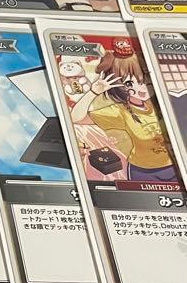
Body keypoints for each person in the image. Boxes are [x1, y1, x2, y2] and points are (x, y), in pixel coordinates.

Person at [68, 38, 178, 183]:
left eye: (144, 80)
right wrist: (93, 92)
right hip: (144, 171)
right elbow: (75, 118)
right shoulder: (119, 111)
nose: (141, 88)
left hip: (177, 166)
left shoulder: (164, 104)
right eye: (129, 83)